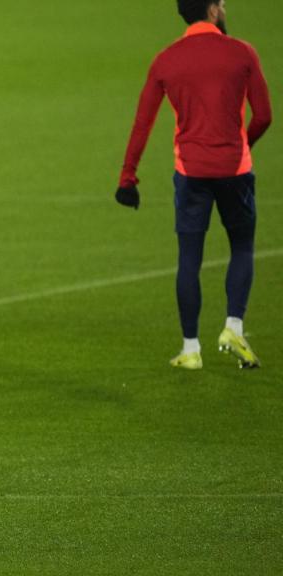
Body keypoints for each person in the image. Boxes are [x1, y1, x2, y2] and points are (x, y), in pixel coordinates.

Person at [116, 0, 271, 369]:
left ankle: (190, 349)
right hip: (235, 170)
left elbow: (143, 122)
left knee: (189, 258)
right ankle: (233, 325)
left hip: (190, 173)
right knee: (242, 246)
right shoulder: (241, 53)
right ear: (214, 9)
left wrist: (128, 177)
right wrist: (241, 145)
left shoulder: (167, 60)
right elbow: (264, 116)